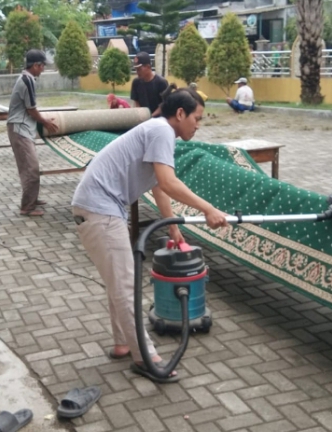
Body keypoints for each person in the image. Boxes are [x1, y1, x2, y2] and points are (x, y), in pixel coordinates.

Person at [71, 87, 228, 383]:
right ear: (180, 114)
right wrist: (208, 209)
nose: (198, 124)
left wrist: (173, 229)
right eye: (197, 117)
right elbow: (169, 182)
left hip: (96, 209)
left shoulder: (156, 131)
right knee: (126, 285)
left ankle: (123, 343)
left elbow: (159, 186)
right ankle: (145, 357)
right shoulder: (161, 131)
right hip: (100, 210)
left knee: (118, 282)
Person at [7, 49, 59, 217]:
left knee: (27, 166)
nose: (43, 69)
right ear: (36, 65)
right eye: (43, 65)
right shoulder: (27, 81)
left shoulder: (27, 79)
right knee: (31, 167)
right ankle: (27, 207)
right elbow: (31, 110)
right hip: (19, 128)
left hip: (22, 128)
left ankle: (32, 198)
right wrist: (45, 122)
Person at [130, 52, 168, 117]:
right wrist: (141, 115)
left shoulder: (161, 82)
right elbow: (137, 102)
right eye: (136, 69)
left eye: (139, 69)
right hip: (143, 119)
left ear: (148, 67)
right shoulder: (136, 82)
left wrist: (151, 116)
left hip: (159, 119)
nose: (137, 72)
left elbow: (165, 105)